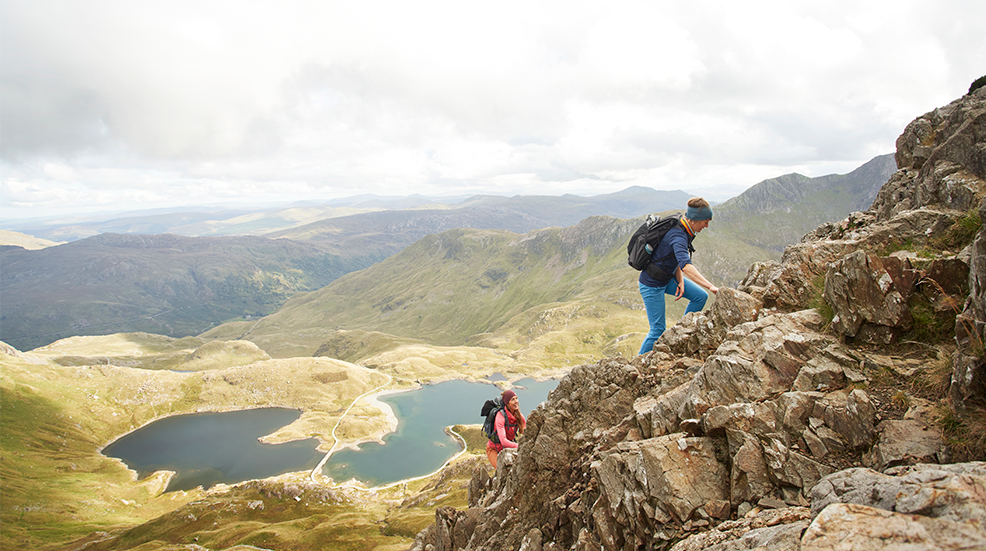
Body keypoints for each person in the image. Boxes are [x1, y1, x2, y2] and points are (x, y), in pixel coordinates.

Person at [638, 197, 719, 355]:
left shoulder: (685, 229)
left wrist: (680, 280)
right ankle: (638, 364)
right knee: (657, 330)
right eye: (705, 222)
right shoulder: (678, 235)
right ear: (695, 220)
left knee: (700, 297)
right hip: (651, 284)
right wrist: (710, 286)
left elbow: (672, 258)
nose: (707, 226)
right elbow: (686, 265)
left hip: (668, 278)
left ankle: (680, 334)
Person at [486, 389, 526, 469]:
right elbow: (503, 441)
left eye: (516, 398)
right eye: (512, 399)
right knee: (501, 469)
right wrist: (519, 446)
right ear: (507, 403)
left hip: (508, 448)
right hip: (494, 449)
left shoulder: (519, 417)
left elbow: (526, 433)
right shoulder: (500, 416)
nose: (516, 401)